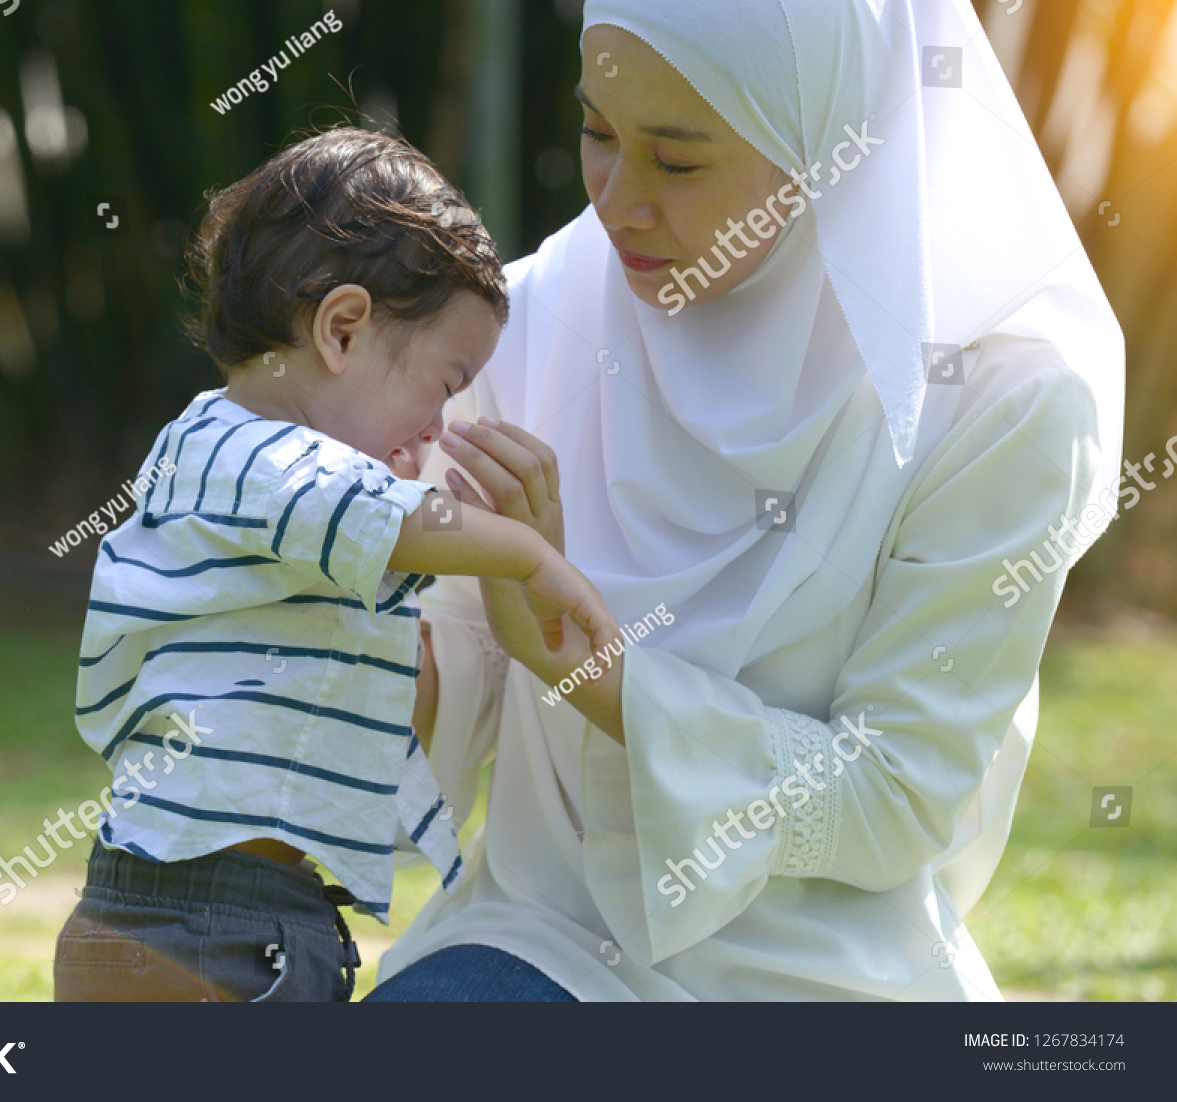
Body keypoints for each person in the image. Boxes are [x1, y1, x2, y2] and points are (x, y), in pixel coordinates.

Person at [366, 0, 1124, 1002]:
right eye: (597, 132)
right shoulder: (532, 316)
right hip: (544, 938)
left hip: (813, 976)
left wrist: (596, 673)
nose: (618, 202)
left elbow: (895, 796)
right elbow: (457, 672)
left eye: (677, 162)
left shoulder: (1001, 407)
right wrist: (363, 638)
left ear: (824, 147)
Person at [52, 127, 619, 1002]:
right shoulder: (241, 450)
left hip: (230, 912)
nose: (438, 429)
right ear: (343, 329)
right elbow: (376, 515)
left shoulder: (254, 490)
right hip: (207, 925)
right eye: (444, 383)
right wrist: (528, 552)